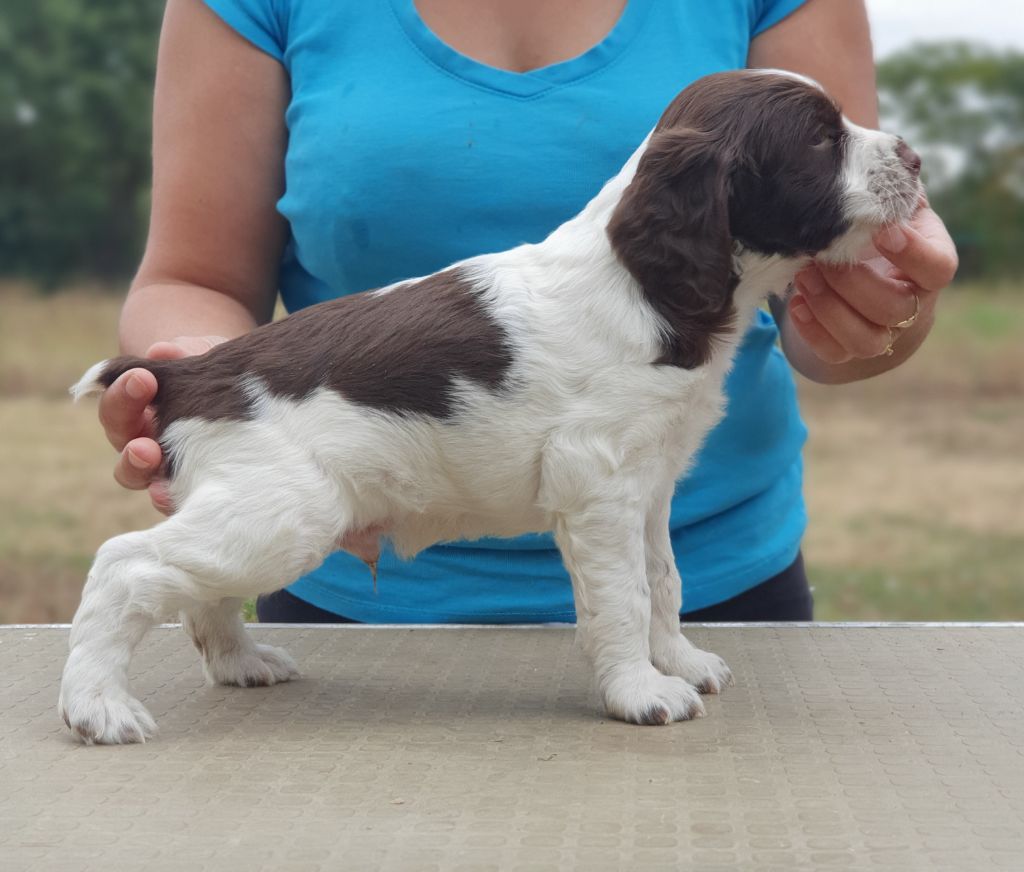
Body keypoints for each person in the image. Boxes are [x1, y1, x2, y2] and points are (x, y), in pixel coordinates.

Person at [98, 0, 958, 624]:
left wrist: (883, 308)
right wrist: (222, 398)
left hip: (727, 582)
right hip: (345, 567)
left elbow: (847, 251)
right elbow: (193, 272)